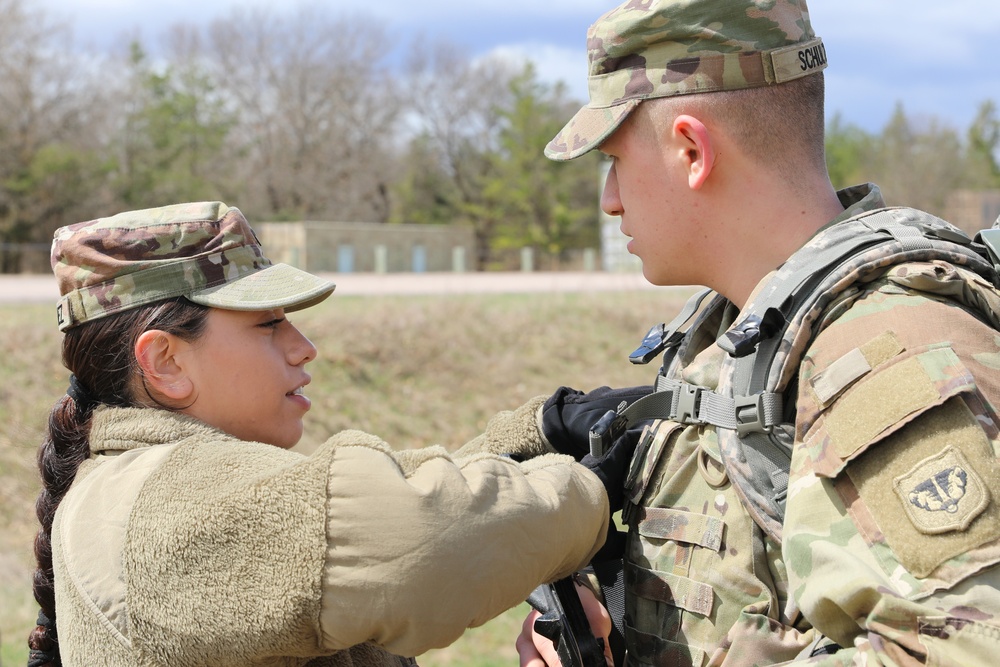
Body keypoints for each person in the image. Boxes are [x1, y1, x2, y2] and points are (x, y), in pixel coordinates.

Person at [518, 0, 1000, 665]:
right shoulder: (742, 337)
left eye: (615, 160)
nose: (610, 198)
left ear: (691, 149)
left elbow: (969, 647)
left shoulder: (884, 354)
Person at [26, 201, 616, 667]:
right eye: (268, 325)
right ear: (166, 364)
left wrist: (537, 431)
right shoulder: (170, 503)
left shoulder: (142, 485)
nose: (303, 347)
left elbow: (388, 494)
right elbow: (419, 532)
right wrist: (595, 486)